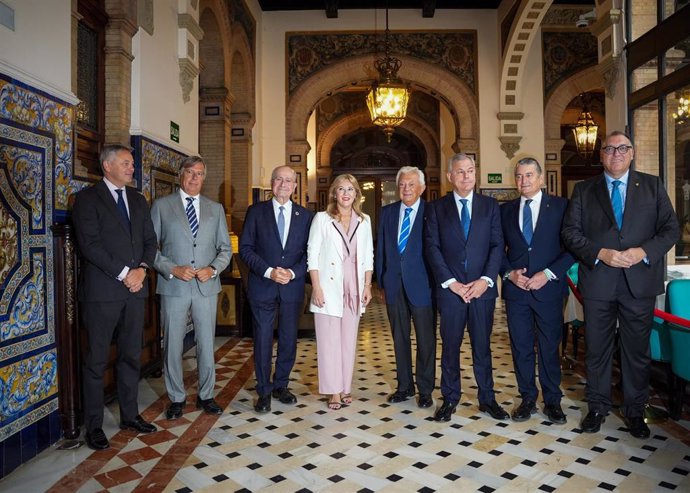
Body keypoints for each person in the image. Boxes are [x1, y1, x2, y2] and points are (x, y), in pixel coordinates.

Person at [562, 131, 679, 439]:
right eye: (609, 148)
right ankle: (598, 408)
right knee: (597, 351)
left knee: (636, 353)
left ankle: (635, 412)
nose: (615, 153)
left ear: (632, 153)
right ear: (601, 155)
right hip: (599, 282)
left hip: (638, 282)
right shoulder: (585, 190)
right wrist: (601, 253)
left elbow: (670, 229)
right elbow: (570, 233)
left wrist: (642, 252)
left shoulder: (652, 186)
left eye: (622, 148)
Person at [72, 144, 158, 450]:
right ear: (107, 166)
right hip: (103, 294)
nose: (131, 168)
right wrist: (126, 273)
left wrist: (143, 270)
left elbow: (150, 240)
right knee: (95, 361)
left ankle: (130, 415)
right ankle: (94, 426)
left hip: (135, 293)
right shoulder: (86, 199)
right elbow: (90, 246)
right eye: (126, 163)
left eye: (132, 163)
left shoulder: (137, 199)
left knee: (131, 356)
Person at [425, 153, 508, 422]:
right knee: (450, 346)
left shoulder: (490, 206)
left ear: (476, 173)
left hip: (482, 290)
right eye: (460, 172)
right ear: (450, 176)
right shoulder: (436, 208)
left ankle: (487, 398)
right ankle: (450, 398)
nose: (466, 176)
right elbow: (432, 248)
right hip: (451, 292)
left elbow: (497, 245)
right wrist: (451, 283)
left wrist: (486, 280)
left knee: (482, 347)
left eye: (470, 171)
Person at [150, 156, 232, 420]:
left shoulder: (215, 208)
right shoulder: (162, 206)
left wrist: (214, 269)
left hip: (206, 286)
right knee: (172, 344)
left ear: (204, 178)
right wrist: (172, 268)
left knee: (206, 344)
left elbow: (225, 249)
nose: (195, 178)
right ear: (180, 175)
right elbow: (149, 248)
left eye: (199, 173)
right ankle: (176, 398)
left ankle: (206, 396)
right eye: (190, 172)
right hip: (174, 285)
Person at [499, 157, 574, 424]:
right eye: (519, 176)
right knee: (521, 347)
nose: (524, 181)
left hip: (549, 290)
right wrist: (509, 273)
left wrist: (548, 274)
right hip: (517, 292)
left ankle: (553, 401)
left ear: (541, 178)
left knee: (549, 347)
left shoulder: (562, 207)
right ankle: (528, 398)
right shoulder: (505, 210)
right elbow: (498, 250)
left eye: (529, 175)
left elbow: (572, 249)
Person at [239, 165, 313, 413]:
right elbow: (246, 248)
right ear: (272, 184)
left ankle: (281, 385)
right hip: (263, 285)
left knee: (289, 339)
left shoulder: (307, 216)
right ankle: (263, 390)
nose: (283, 184)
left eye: (288, 180)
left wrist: (292, 273)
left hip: (292, 288)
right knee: (262, 340)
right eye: (278, 179)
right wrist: (269, 271)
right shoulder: (256, 212)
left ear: (295, 186)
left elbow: (310, 253)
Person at [308, 174, 374, 410]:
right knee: (329, 342)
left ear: (357, 194)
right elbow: (312, 255)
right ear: (334, 193)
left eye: (351, 189)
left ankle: (345, 386)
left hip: (354, 289)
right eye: (341, 189)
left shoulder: (364, 221)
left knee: (348, 341)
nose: (346, 194)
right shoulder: (322, 219)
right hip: (328, 288)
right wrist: (316, 287)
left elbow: (368, 256)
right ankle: (333, 391)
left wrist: (367, 285)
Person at [376, 166, 436, 409]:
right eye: (402, 184)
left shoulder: (432, 212)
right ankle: (404, 387)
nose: (406, 188)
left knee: (425, 339)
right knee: (399, 338)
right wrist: (381, 281)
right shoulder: (388, 212)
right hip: (393, 284)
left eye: (411, 184)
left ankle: (425, 389)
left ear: (421, 188)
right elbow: (380, 248)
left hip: (423, 285)